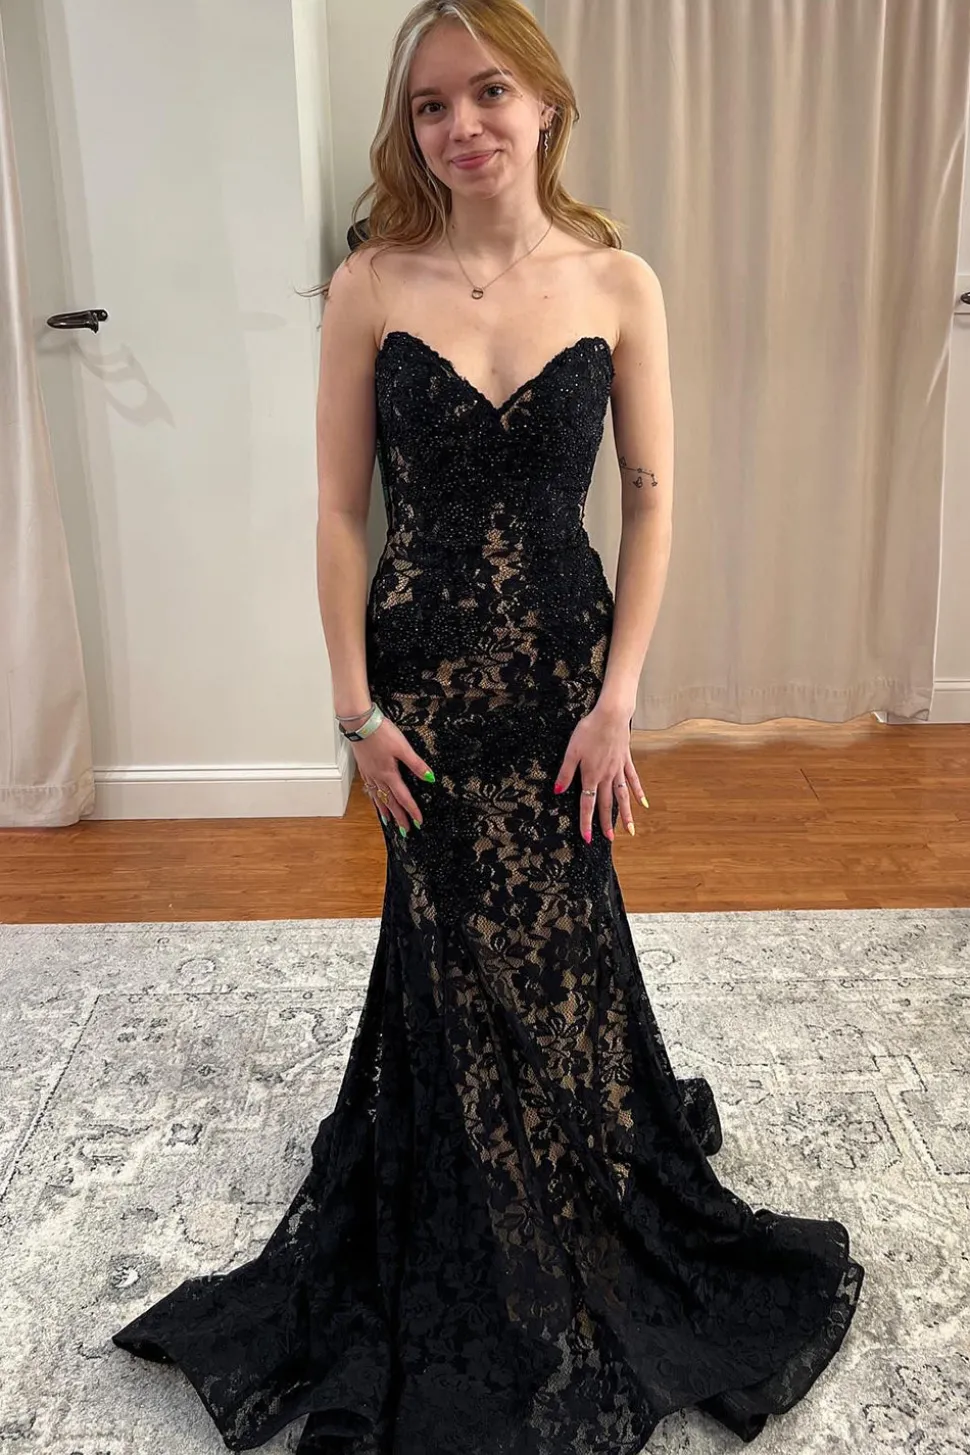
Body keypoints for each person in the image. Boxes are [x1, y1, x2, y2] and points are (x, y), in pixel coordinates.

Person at [111, 2, 865, 1450]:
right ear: (410, 129)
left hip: (566, 678)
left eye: (488, 92)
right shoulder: (370, 282)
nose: (460, 125)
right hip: (426, 683)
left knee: (563, 922)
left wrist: (620, 699)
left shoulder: (618, 280)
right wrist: (353, 709)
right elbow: (338, 510)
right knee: (447, 931)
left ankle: (587, 1151)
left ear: (544, 104)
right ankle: (467, 1173)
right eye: (429, 105)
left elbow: (649, 497)